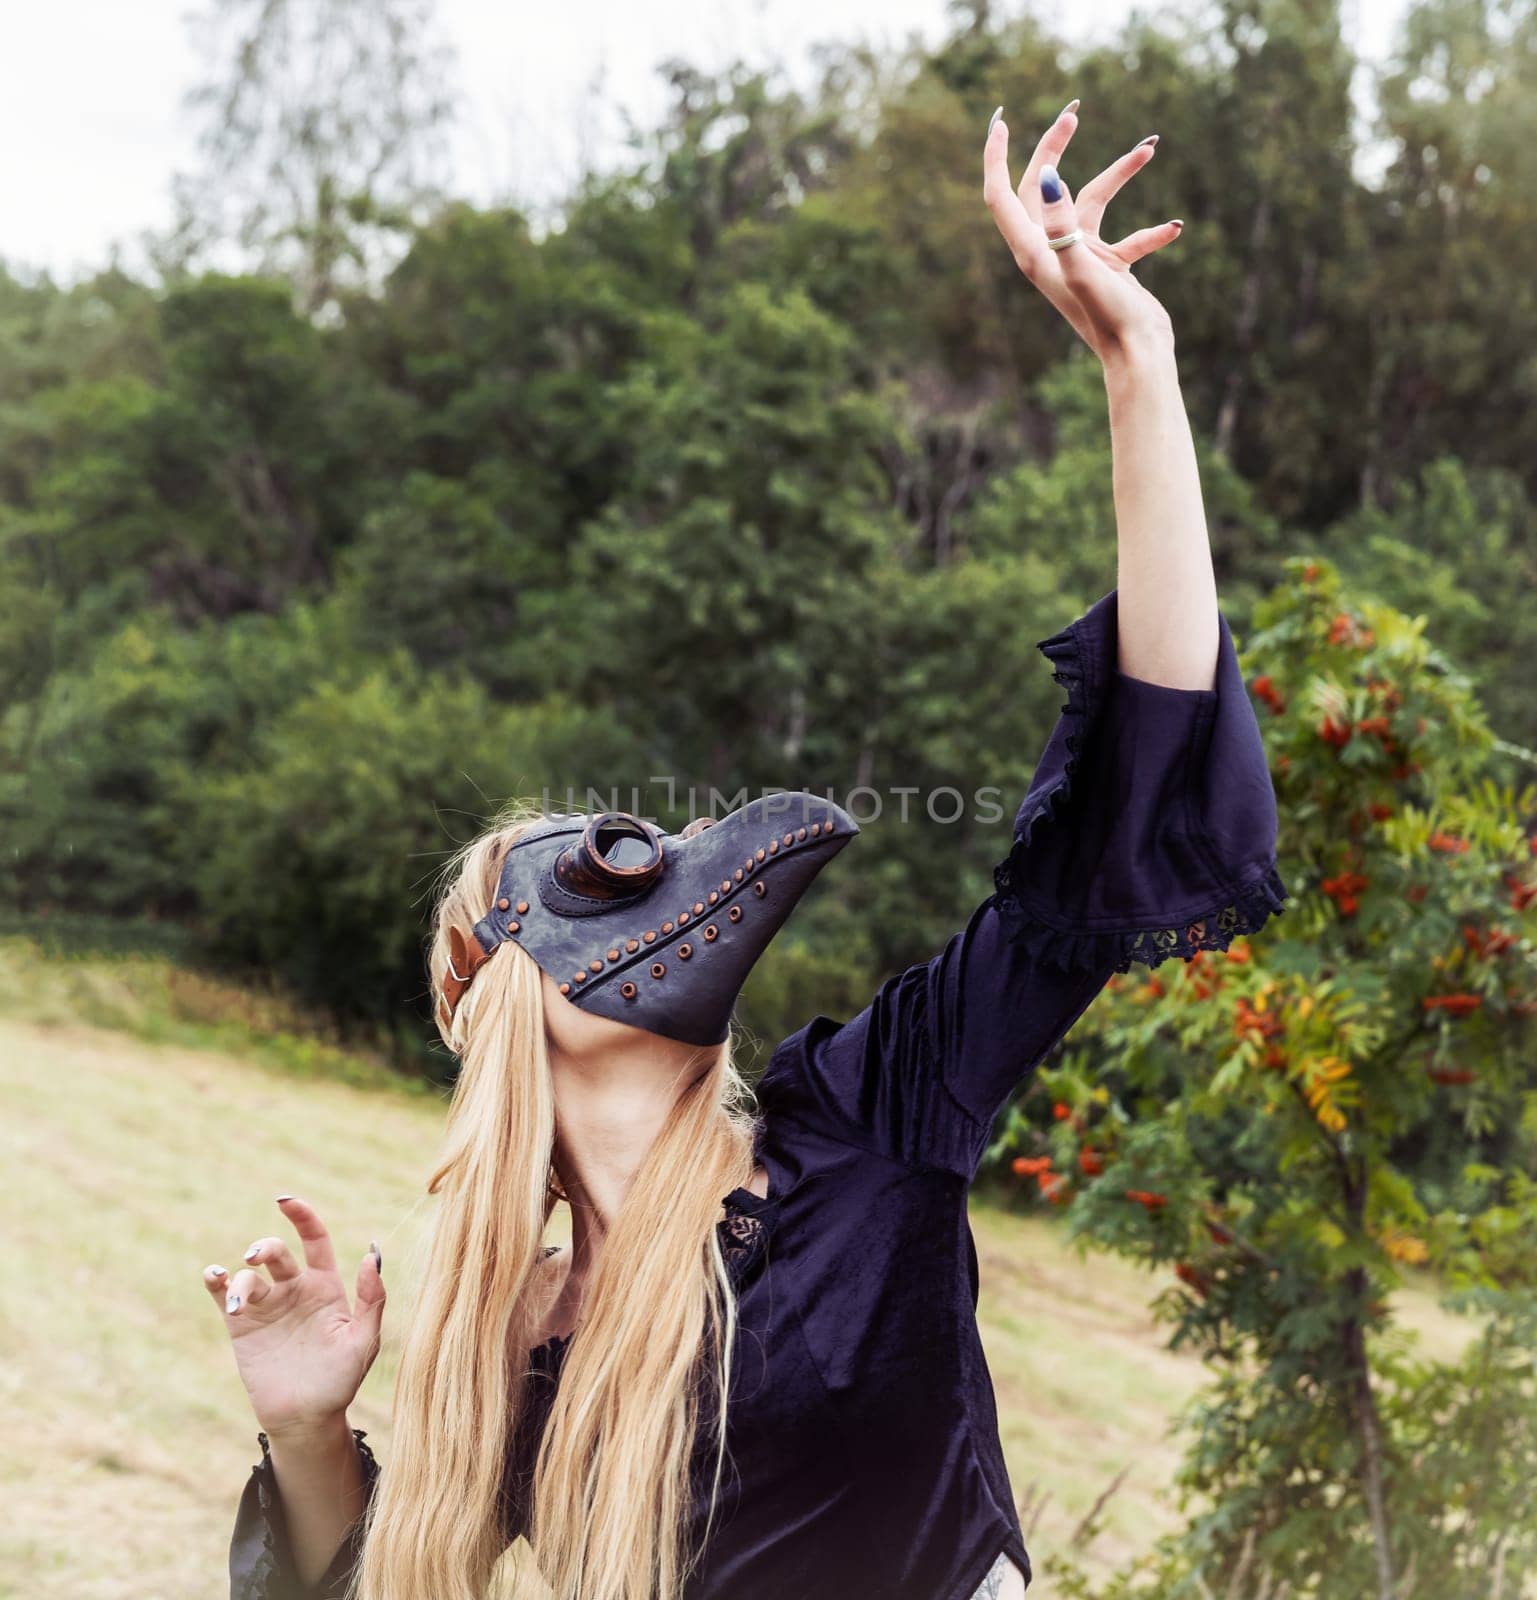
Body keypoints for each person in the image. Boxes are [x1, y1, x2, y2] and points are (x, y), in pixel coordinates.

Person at [208, 97, 1290, 1600]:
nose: (670, 868)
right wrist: (312, 1430)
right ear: (485, 981)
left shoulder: (858, 1129)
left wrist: (1136, 369)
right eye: (601, 869)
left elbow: (1120, 807)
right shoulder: (515, 1336)